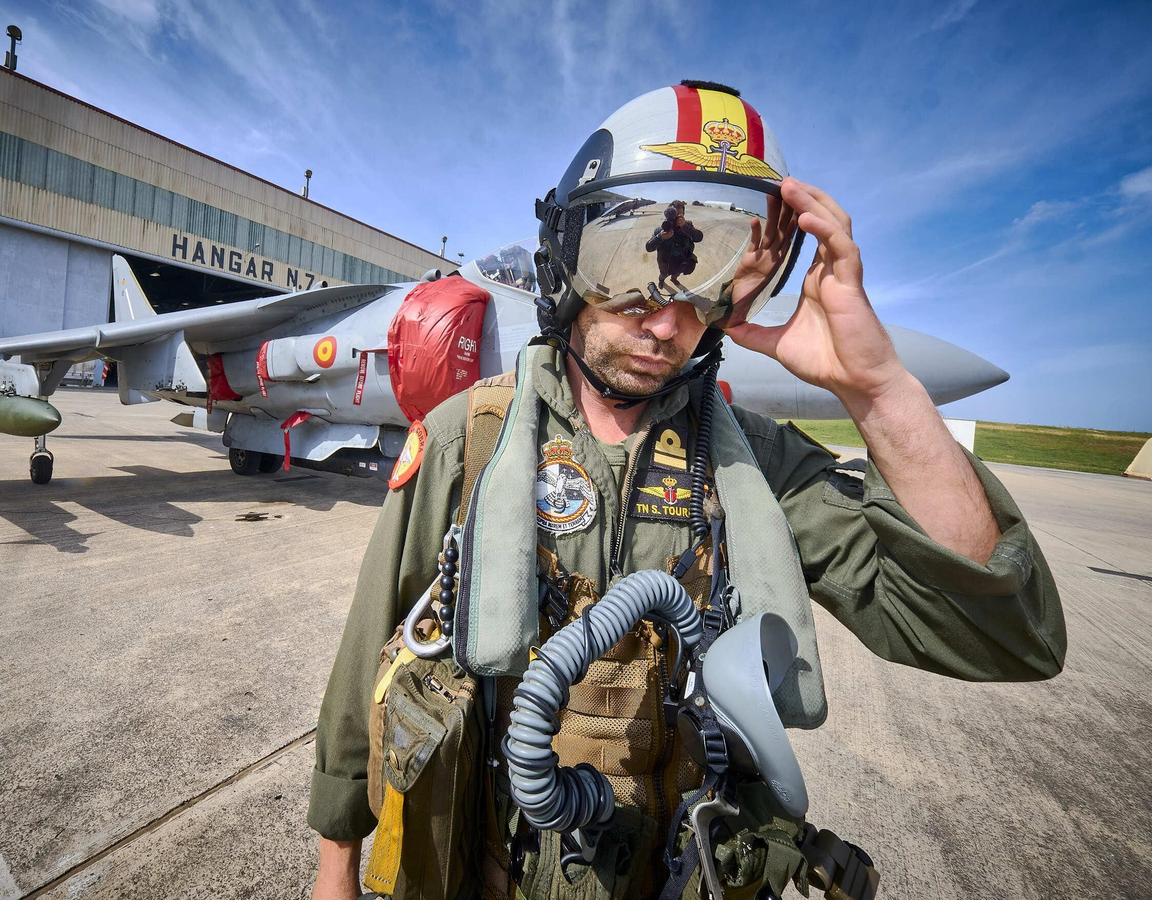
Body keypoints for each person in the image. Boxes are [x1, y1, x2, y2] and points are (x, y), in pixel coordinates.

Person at [309, 81, 1065, 900]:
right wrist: (336, 869)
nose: (665, 321)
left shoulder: (750, 468)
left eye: (702, 282)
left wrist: (877, 390)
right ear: (567, 256)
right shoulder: (473, 440)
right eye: (631, 270)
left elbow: (1000, 633)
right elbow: (369, 656)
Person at [644, 201, 704, 295]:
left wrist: (685, 227)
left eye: (679, 216)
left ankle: (673, 279)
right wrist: (659, 237)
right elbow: (648, 247)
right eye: (673, 216)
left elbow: (699, 238)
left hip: (680, 262)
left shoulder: (687, 226)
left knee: (677, 273)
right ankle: (661, 280)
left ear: (683, 215)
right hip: (665, 263)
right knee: (663, 274)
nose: (675, 220)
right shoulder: (660, 230)